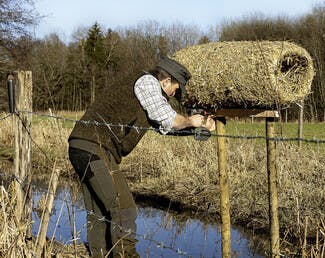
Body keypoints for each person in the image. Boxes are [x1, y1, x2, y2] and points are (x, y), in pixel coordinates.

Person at [68, 57, 215, 258]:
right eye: (176, 89)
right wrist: (189, 120)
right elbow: (167, 117)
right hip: (94, 147)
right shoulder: (147, 82)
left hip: (84, 146)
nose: (175, 94)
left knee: (99, 211)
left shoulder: (148, 95)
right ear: (165, 81)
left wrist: (196, 128)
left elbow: (164, 126)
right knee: (124, 208)